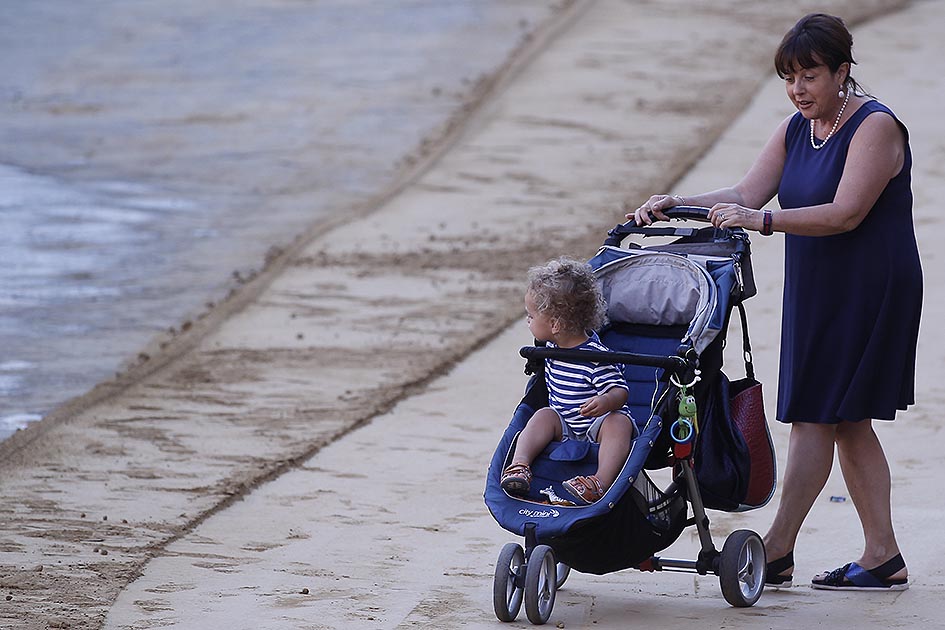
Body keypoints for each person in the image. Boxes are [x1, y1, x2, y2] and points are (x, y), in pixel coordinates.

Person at [630, 13, 921, 591]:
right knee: (844, 419)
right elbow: (745, 192)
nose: (798, 89)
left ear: (842, 71)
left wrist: (761, 221)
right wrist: (678, 203)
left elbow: (846, 213)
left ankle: (780, 548)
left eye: (809, 76)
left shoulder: (876, 126)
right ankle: (882, 555)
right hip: (817, 287)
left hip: (869, 287)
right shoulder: (796, 129)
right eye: (789, 78)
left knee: (818, 414)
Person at [500, 257, 636, 505]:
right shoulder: (551, 350)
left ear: (555, 324)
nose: (528, 321)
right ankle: (519, 465)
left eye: (531, 316)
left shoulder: (596, 357)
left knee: (619, 422)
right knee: (543, 415)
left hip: (597, 426)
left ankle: (599, 482)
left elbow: (620, 391)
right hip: (564, 423)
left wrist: (606, 401)